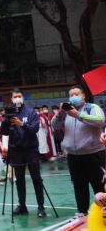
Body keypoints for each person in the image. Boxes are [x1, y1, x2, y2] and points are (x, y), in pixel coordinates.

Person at [51, 85, 106, 217]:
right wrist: (59, 114)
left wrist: (78, 115)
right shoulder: (66, 112)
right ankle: (82, 211)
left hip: (94, 154)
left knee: (99, 185)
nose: (74, 97)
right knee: (79, 185)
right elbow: (54, 126)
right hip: (73, 156)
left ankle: (103, 211)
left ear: (83, 96)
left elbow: (100, 121)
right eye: (71, 95)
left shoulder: (92, 108)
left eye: (77, 94)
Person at [0, 88, 47, 218]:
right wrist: (6, 119)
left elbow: (35, 129)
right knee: (19, 180)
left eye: (19, 96)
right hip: (16, 151)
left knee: (36, 179)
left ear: (23, 97)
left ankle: (41, 207)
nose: (17, 98)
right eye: (15, 97)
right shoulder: (10, 114)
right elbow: (4, 132)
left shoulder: (31, 112)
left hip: (31, 150)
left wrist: (22, 124)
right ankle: (22, 206)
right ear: (11, 99)